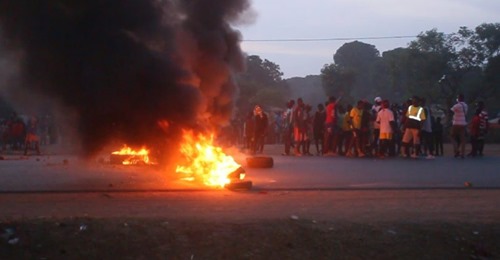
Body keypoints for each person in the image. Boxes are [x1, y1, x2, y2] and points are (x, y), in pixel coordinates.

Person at [450, 94, 468, 158]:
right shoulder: (465, 106)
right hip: (463, 123)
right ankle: (462, 153)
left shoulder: (457, 106)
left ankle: (456, 149)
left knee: (452, 136)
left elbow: (451, 111)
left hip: (456, 123)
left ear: (459, 98)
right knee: (463, 139)